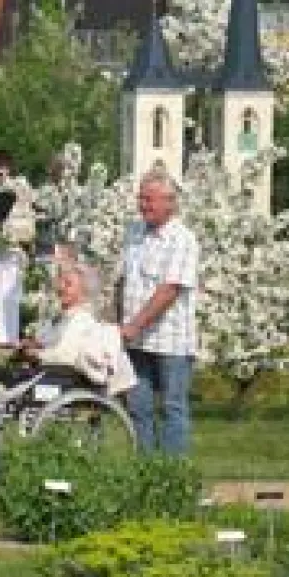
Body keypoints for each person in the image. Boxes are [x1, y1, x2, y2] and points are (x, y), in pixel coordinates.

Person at [118, 172, 200, 454]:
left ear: (169, 202)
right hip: (136, 342)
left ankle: (171, 473)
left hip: (170, 342)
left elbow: (169, 291)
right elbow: (123, 281)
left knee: (171, 408)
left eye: (148, 200)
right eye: (140, 198)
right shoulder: (133, 233)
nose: (143, 205)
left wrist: (135, 325)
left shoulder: (182, 239)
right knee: (138, 407)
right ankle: (146, 470)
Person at [19, 260, 135, 394]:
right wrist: (31, 344)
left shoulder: (82, 319)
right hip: (55, 378)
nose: (60, 287)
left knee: (20, 389)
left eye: (68, 284)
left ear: (84, 293)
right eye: (61, 282)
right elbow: (44, 339)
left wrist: (35, 353)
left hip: (69, 386)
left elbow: (64, 357)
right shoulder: (62, 316)